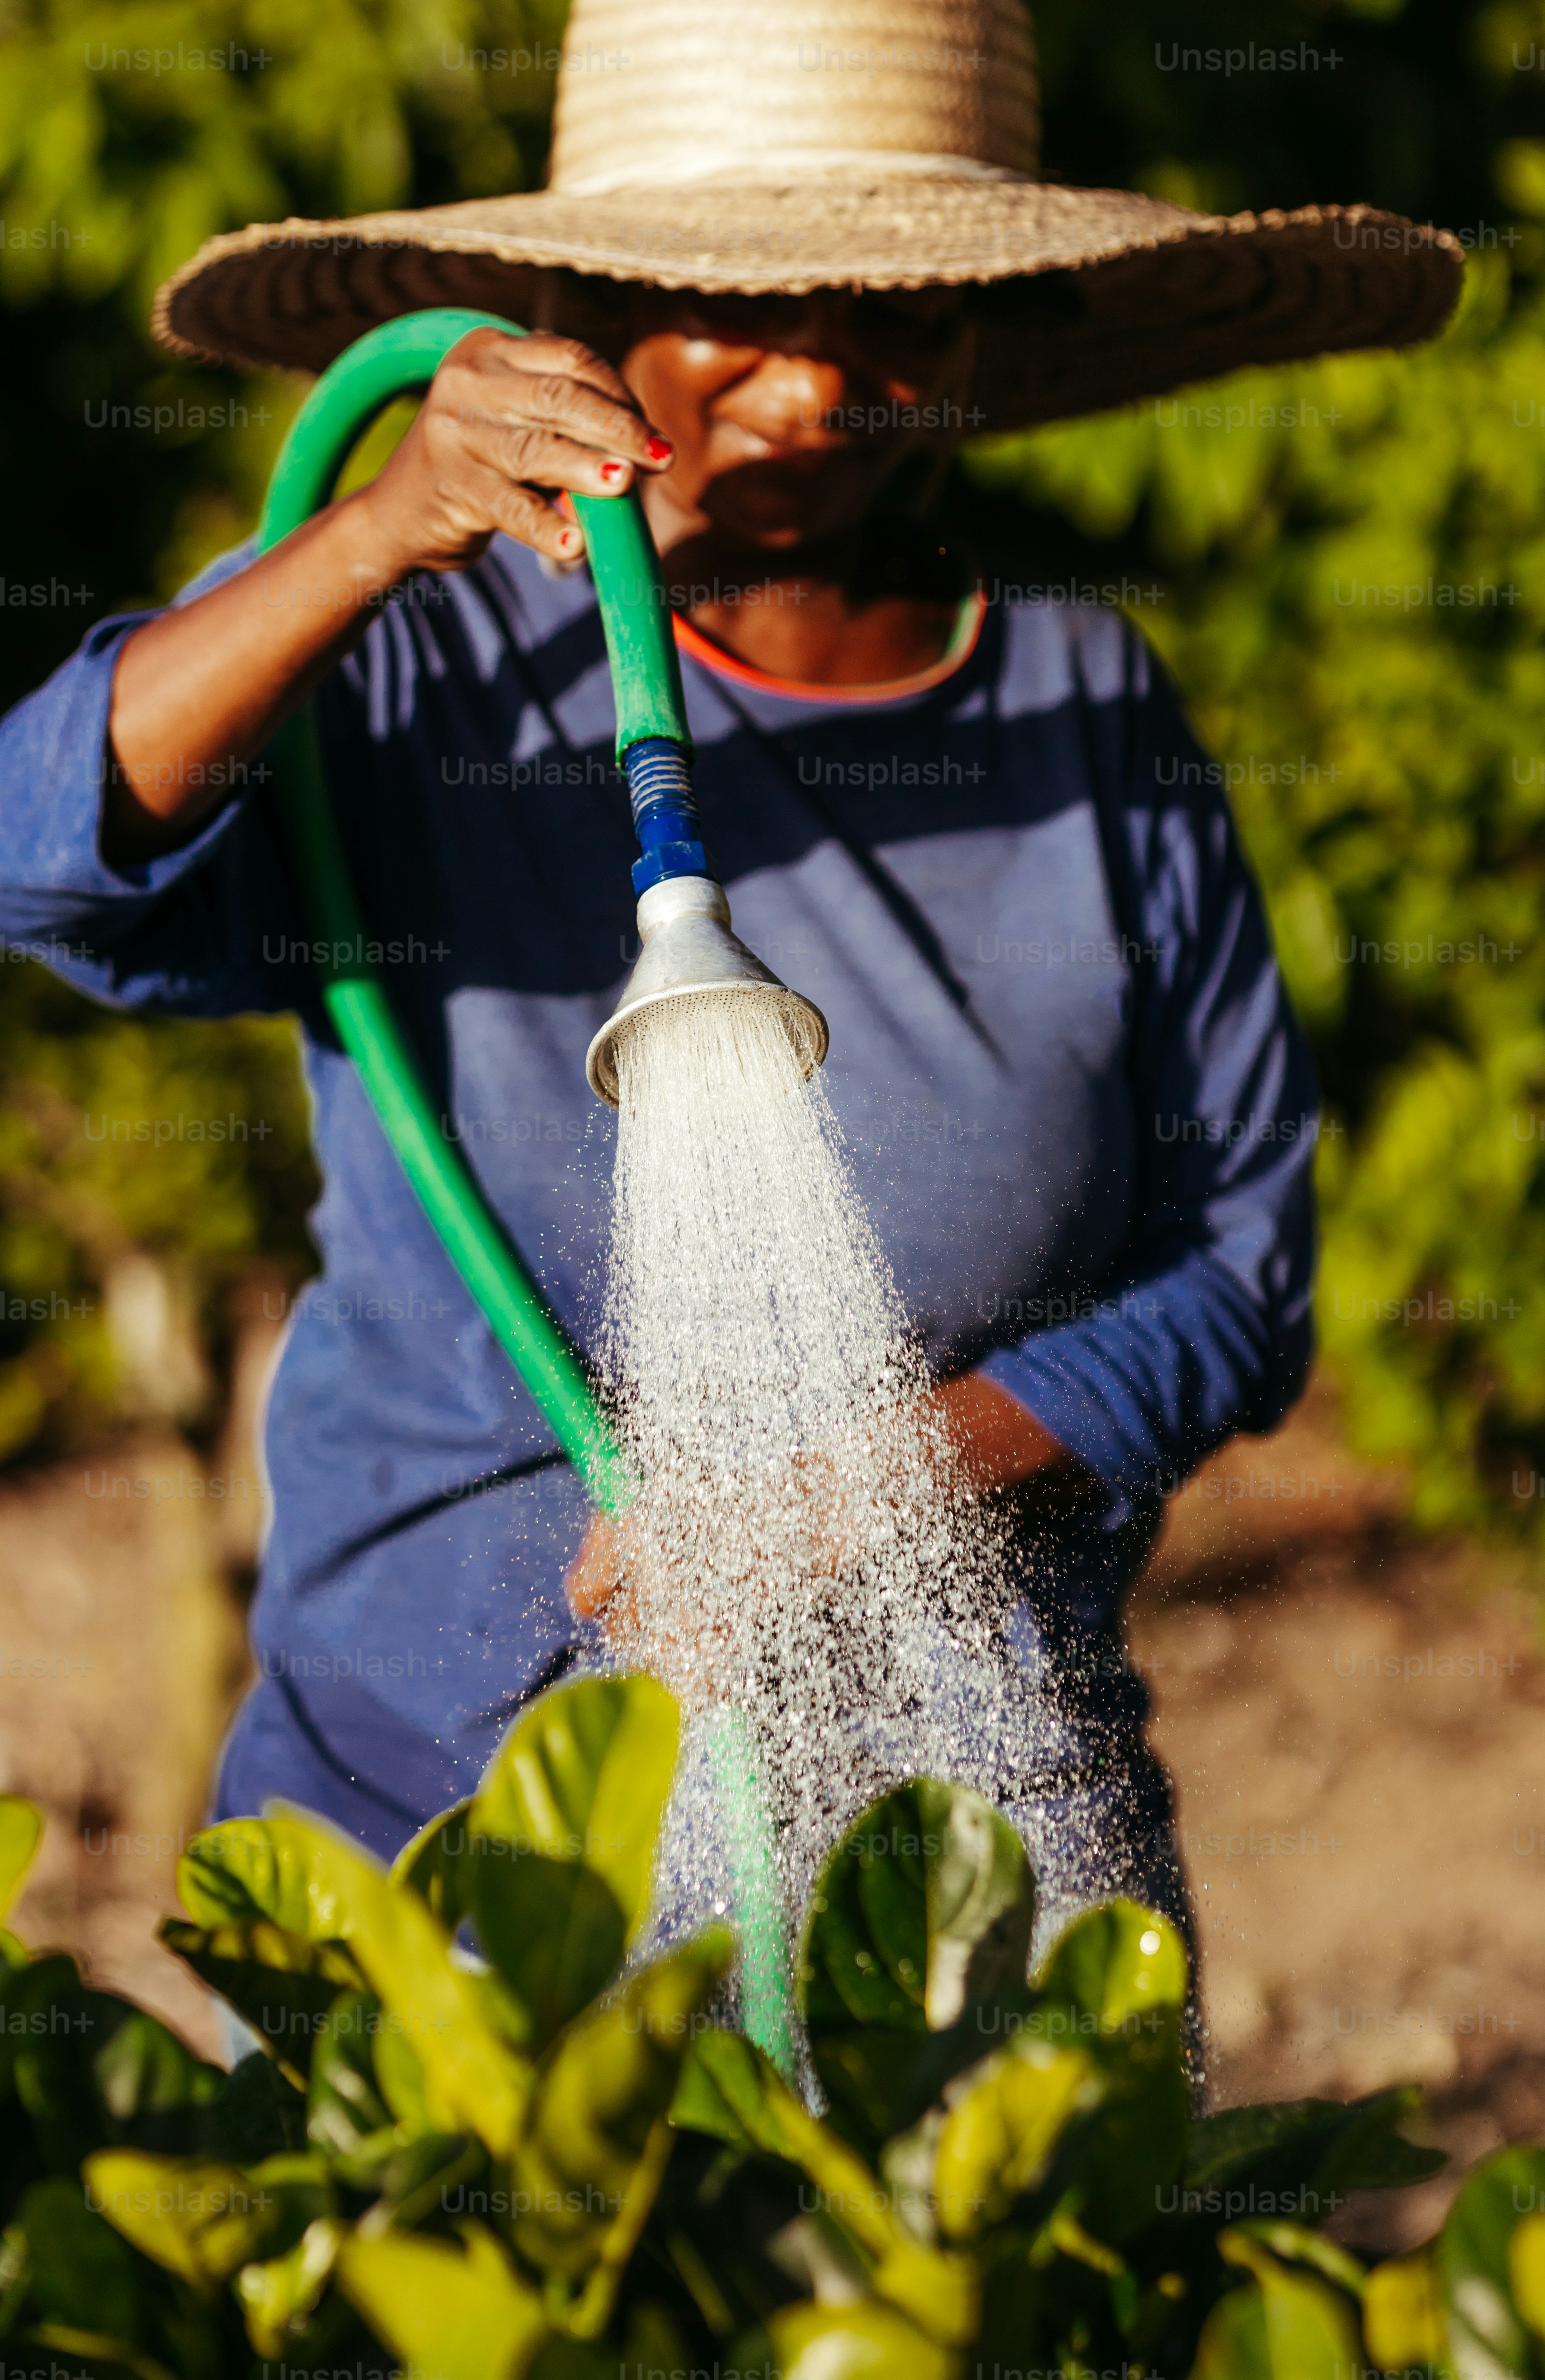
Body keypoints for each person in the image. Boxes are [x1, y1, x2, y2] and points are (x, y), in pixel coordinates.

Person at [0, 0, 1458, 1982]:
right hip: (442, 1840)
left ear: (986, 343)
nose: (812, 381)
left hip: (961, 1843)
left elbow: (1242, 1275)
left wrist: (871, 1490)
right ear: (587, 302)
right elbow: (39, 853)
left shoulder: (1084, 709)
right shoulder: (439, 666)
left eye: (898, 318)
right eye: (739, 308)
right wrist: (380, 532)